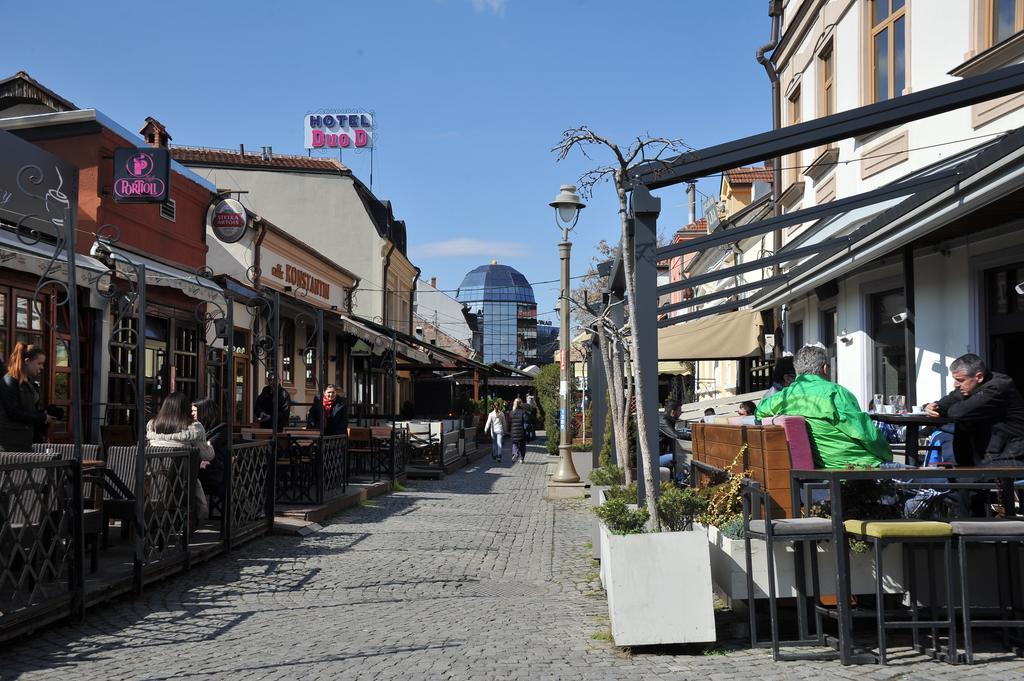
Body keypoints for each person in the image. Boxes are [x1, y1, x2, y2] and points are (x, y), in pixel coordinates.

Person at [756, 344, 893, 469]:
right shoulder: (835, 393)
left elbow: (758, 414)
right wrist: (887, 455)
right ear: (825, 368)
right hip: (858, 467)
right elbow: (866, 434)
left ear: (797, 371)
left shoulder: (780, 398)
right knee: (913, 478)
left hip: (820, 469)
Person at [925, 353, 1024, 467]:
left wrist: (950, 408)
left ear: (979, 377)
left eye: (960, 380)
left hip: (1008, 457)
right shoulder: (969, 387)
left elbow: (958, 413)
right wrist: (931, 407)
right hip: (981, 456)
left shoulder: (998, 387)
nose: (955, 384)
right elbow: (944, 404)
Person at [147, 392, 215, 521]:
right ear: (186, 408)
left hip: (153, 481)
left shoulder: (153, 425)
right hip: (182, 483)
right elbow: (207, 456)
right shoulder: (193, 427)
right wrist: (209, 445)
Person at [0, 343, 57, 451]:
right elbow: (13, 412)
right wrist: (43, 417)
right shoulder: (9, 381)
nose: (42, 367)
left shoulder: (28, 383)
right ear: (27, 361)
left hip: (25, 442)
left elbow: (28, 411)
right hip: (10, 445)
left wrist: (45, 413)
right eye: (39, 363)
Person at [193, 398, 229, 509]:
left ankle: (195, 515)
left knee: (187, 481)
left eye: (194, 411)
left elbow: (206, 447)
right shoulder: (196, 427)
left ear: (205, 412)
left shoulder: (222, 428)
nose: (192, 414)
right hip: (198, 469)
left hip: (213, 472)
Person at [508, 398, 528, 464]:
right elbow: (526, 422)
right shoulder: (523, 412)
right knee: (522, 445)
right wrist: (526, 429)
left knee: (515, 444)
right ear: (521, 404)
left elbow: (510, 421)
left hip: (513, 431)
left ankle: (515, 453)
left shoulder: (511, 412)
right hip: (521, 432)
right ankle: (521, 459)